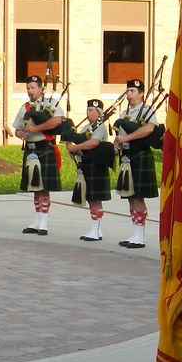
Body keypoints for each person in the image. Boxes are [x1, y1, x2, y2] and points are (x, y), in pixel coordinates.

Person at [13, 75, 65, 236]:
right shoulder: (25, 107)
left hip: (45, 148)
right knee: (35, 188)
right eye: (28, 88)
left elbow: (58, 121)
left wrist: (36, 129)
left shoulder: (51, 105)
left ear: (41, 89)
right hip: (30, 150)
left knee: (43, 188)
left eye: (33, 88)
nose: (30, 91)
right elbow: (16, 128)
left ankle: (44, 222)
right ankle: (37, 220)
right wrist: (19, 133)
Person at [111, 79, 158, 249]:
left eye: (132, 91)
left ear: (141, 94)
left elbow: (149, 129)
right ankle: (135, 233)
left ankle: (140, 236)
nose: (129, 94)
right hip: (127, 157)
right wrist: (117, 144)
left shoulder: (147, 111)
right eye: (128, 91)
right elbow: (120, 136)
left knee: (138, 196)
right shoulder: (124, 114)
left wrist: (126, 138)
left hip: (140, 156)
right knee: (130, 197)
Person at [64, 99, 112, 242]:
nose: (88, 112)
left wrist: (75, 148)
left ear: (99, 113)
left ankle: (95, 231)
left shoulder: (100, 127)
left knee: (95, 199)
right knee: (91, 198)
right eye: (88, 110)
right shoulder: (86, 128)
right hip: (85, 165)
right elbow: (82, 143)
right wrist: (74, 151)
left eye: (92, 110)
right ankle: (96, 230)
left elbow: (93, 143)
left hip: (96, 165)